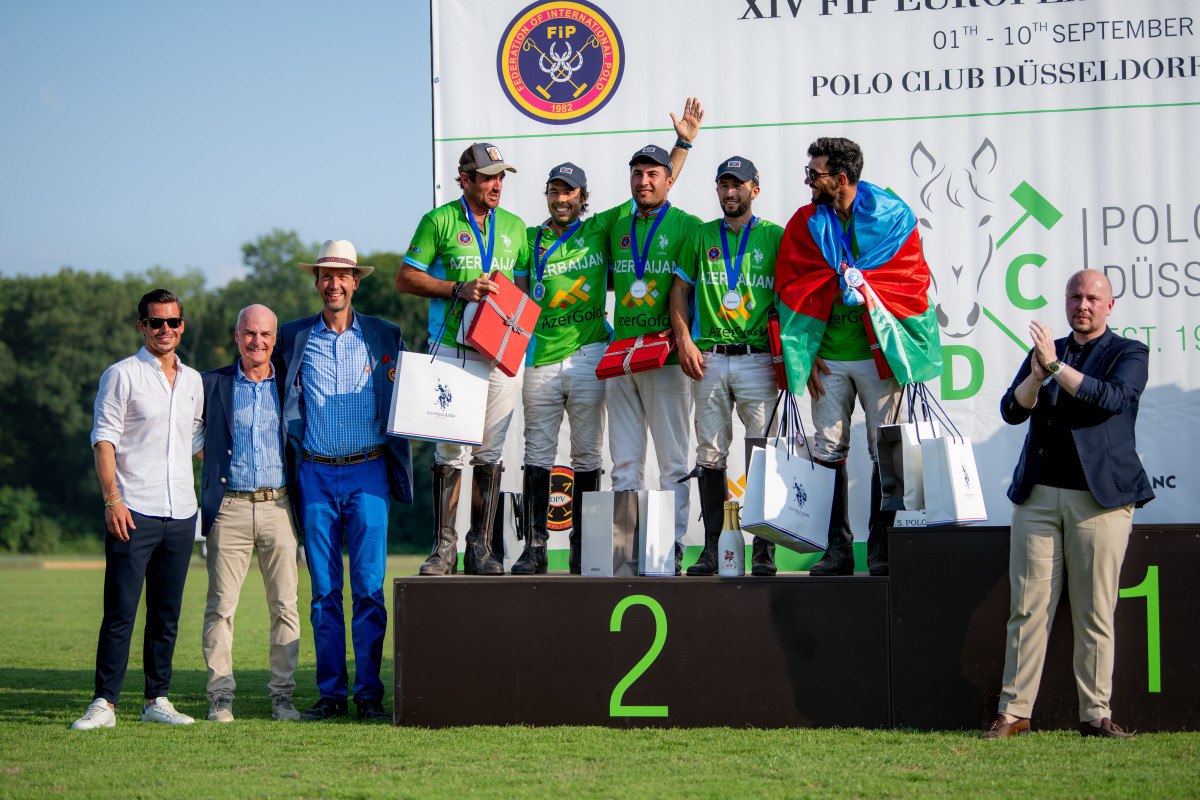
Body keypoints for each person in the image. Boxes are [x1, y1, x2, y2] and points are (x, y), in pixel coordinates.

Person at [983, 269, 1154, 740]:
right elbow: (1012, 410)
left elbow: (1109, 399)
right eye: (1075, 297)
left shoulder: (1128, 353)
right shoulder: (1046, 352)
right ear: (1066, 301)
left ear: (1109, 305)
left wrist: (1056, 368)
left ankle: (1095, 715)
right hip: (1038, 497)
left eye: (1093, 298)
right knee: (1028, 608)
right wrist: (1037, 376)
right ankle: (1014, 712)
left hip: (1099, 502)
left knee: (1095, 611)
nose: (1083, 305)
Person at [775, 137, 941, 576]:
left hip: (878, 355)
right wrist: (803, 356)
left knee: (885, 448)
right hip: (827, 358)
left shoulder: (891, 216)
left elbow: (909, 282)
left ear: (841, 179)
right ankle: (838, 550)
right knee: (828, 449)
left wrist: (862, 283)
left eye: (815, 174)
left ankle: (883, 547)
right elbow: (791, 290)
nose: (808, 181)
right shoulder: (804, 223)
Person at [274, 240, 413, 722]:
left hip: (369, 471)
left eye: (343, 276)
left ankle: (370, 693)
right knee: (324, 590)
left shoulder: (386, 335)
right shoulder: (290, 337)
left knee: (370, 588)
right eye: (326, 275)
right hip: (314, 473)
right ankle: (331, 693)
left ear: (356, 282)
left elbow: (412, 394)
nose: (334, 284)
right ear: (316, 282)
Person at [72, 289, 204, 730]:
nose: (164, 330)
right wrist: (112, 499)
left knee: (166, 615)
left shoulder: (194, 381)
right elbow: (104, 439)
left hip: (182, 512)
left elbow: (197, 443)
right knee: (121, 612)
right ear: (141, 326)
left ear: (182, 326)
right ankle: (104, 704)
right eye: (155, 323)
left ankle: (156, 701)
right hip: (133, 510)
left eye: (172, 322)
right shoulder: (121, 375)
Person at [397, 143, 531, 576]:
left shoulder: (514, 227)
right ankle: (443, 548)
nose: (497, 184)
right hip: (454, 351)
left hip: (500, 355)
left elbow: (525, 287)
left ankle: (482, 548)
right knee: (450, 451)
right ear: (465, 179)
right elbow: (406, 277)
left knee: (490, 452)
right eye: (489, 176)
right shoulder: (439, 220)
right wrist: (458, 288)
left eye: (501, 177)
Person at [597, 119, 705, 573]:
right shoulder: (617, 222)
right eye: (637, 174)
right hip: (622, 355)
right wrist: (677, 147)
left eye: (654, 174)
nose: (644, 181)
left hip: (665, 357)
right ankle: (625, 551)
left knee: (674, 461)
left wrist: (683, 144)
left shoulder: (689, 226)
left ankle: (672, 545)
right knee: (623, 462)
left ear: (669, 179)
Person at [670, 156, 783, 576]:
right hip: (711, 357)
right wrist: (683, 339)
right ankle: (715, 548)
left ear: (755, 189)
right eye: (723, 184)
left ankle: (764, 550)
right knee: (710, 455)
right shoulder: (700, 235)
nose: (729, 192)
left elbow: (790, 297)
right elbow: (679, 290)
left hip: (757, 360)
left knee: (764, 453)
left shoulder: (775, 235)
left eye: (738, 185)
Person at [198, 304, 301, 723]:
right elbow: (188, 432)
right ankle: (220, 697)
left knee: (285, 606)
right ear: (237, 335)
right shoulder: (212, 384)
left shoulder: (290, 385)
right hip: (231, 508)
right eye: (249, 333)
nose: (256, 341)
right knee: (221, 607)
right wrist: (212, 465)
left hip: (279, 507)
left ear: (275, 340)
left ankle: (283, 697)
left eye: (265, 335)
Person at [507, 162, 609, 574]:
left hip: (588, 355)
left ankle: (584, 549)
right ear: (547, 195)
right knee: (537, 453)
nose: (562, 199)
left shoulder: (600, 228)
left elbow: (652, 189)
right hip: (540, 359)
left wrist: (683, 144)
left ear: (583, 197)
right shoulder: (530, 239)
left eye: (570, 192)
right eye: (555, 191)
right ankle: (535, 547)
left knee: (587, 454)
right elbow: (514, 297)